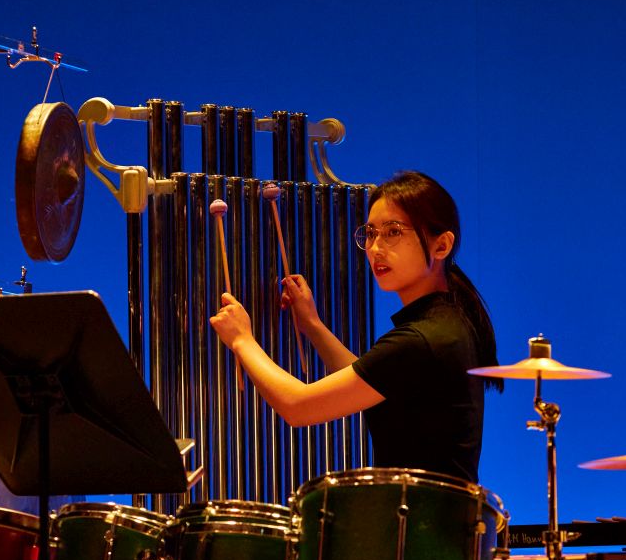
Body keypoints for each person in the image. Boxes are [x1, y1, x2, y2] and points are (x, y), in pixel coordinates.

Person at [209, 170, 501, 483]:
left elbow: (298, 407)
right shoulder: (445, 322)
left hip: (421, 524)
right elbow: (368, 377)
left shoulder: (422, 339)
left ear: (441, 246)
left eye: (393, 232)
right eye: (371, 233)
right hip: (432, 522)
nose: (375, 248)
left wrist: (243, 340)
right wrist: (312, 325)